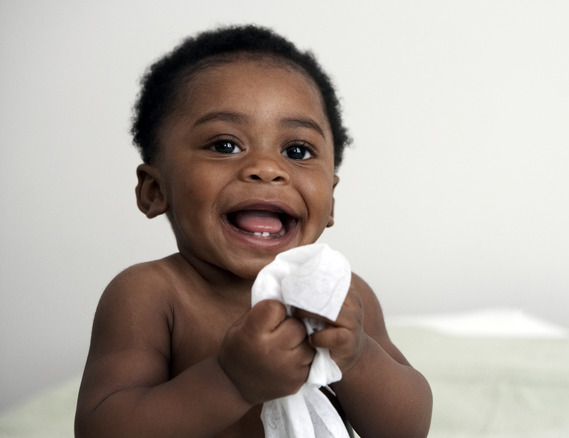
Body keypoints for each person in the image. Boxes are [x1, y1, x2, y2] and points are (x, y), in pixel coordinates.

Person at [74, 25, 432, 438]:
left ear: (330, 201)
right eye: (225, 145)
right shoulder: (150, 295)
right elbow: (103, 428)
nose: (267, 168)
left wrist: (359, 358)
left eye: (296, 151)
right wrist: (230, 380)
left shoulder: (344, 294)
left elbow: (410, 428)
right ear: (155, 190)